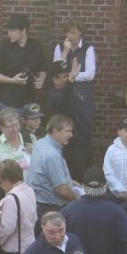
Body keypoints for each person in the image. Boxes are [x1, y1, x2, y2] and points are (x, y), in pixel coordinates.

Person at [51, 20, 97, 181]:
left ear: (80, 33)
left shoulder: (88, 48)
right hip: (65, 92)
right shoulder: (60, 47)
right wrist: (65, 52)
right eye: (67, 33)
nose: (69, 36)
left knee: (82, 127)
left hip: (82, 95)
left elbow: (90, 73)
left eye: (73, 33)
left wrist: (73, 77)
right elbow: (57, 68)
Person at [0, 13, 46, 112]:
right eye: (9, 30)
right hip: (8, 102)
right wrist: (12, 80)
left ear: (23, 30)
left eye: (13, 30)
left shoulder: (36, 46)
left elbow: (42, 69)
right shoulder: (2, 47)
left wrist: (41, 81)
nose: (9, 34)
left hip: (30, 101)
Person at [28, 114, 79, 218]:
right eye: (68, 131)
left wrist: (71, 182)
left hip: (39, 205)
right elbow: (62, 190)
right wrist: (79, 199)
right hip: (52, 209)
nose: (71, 135)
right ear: (55, 131)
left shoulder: (40, 143)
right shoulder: (53, 155)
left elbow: (47, 174)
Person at [0, 159, 37, 254]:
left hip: (14, 252)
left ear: (7, 179)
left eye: (0, 179)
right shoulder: (29, 190)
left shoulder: (11, 199)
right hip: (31, 246)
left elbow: (7, 229)